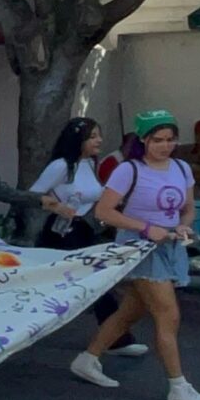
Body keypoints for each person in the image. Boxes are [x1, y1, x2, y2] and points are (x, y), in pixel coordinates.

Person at [69, 111, 200, 400]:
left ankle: (88, 359)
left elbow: (188, 209)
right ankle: (178, 386)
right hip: (139, 248)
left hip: (169, 247)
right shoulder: (129, 170)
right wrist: (146, 228)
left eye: (170, 139)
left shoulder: (181, 168)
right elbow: (104, 211)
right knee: (168, 315)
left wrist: (183, 225)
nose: (165, 145)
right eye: (157, 140)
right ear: (144, 140)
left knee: (130, 312)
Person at [28, 118, 147, 354]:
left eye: (98, 135)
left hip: (83, 228)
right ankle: (116, 337)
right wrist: (56, 206)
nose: (99, 141)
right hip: (61, 231)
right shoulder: (61, 166)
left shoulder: (89, 165)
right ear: (78, 140)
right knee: (93, 280)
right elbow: (33, 194)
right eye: (93, 136)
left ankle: (116, 338)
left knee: (91, 281)